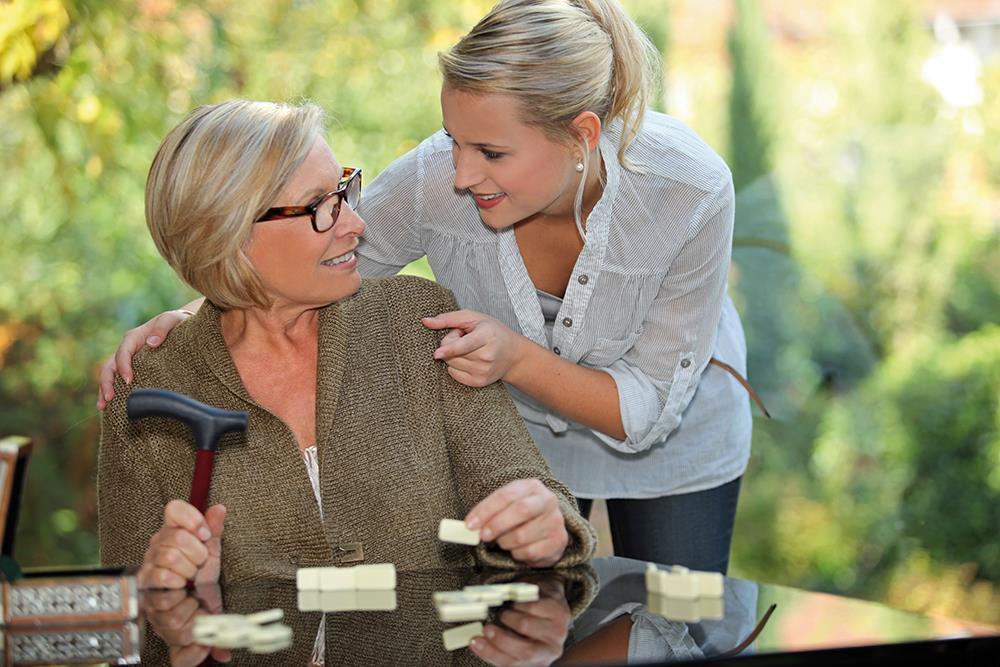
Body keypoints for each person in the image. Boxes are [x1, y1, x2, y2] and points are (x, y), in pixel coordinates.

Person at [99, 0, 752, 573]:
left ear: (581, 135)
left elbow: (646, 405)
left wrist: (517, 357)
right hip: (520, 434)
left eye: (491, 153)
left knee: (681, 623)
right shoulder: (440, 176)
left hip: (667, 426)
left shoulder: (686, 190)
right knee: (536, 599)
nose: (462, 174)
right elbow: (314, 254)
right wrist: (189, 318)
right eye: (452, 140)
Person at [98, 99, 596, 592]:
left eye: (345, 193)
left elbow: (534, 494)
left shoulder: (416, 324)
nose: (355, 226)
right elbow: (129, 609)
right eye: (320, 207)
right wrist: (169, 594)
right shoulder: (150, 386)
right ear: (227, 234)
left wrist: (544, 529)